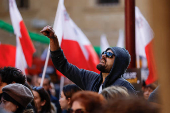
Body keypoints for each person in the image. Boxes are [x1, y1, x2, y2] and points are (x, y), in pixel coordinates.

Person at [40, 26, 136, 95]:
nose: (103, 56)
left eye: (109, 55)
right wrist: (53, 39)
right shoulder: (91, 79)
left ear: (118, 64)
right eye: (104, 53)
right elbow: (62, 65)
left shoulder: (125, 88)